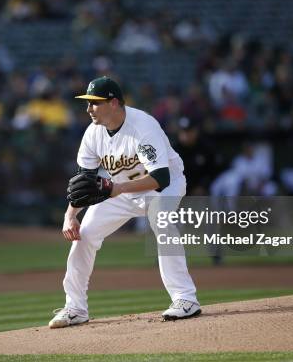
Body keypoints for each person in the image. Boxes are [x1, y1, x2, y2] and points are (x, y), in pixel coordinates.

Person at [49, 76, 200, 328]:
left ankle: (186, 299)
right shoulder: (93, 134)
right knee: (84, 235)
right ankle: (75, 308)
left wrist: (117, 188)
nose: (88, 109)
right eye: (87, 103)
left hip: (166, 184)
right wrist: (70, 215)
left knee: (160, 221)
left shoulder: (143, 126)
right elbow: (83, 181)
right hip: (121, 190)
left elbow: (160, 177)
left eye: (95, 103)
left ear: (114, 103)